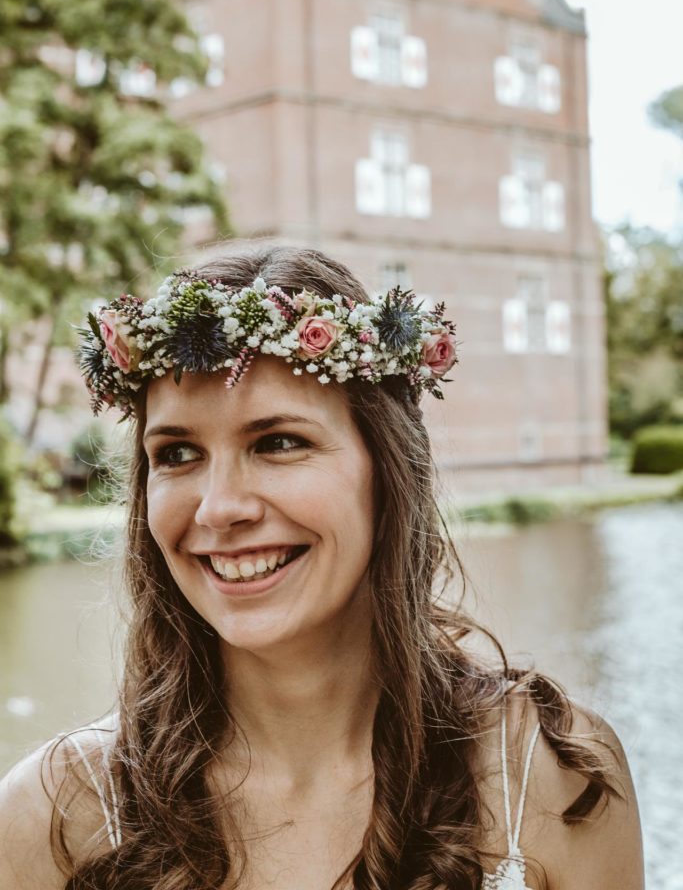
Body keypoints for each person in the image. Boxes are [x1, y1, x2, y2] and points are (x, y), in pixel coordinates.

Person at [0, 243, 643, 890]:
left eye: (278, 442)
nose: (219, 508)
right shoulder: (53, 818)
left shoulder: (550, 778)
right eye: (176, 454)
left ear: (386, 473)